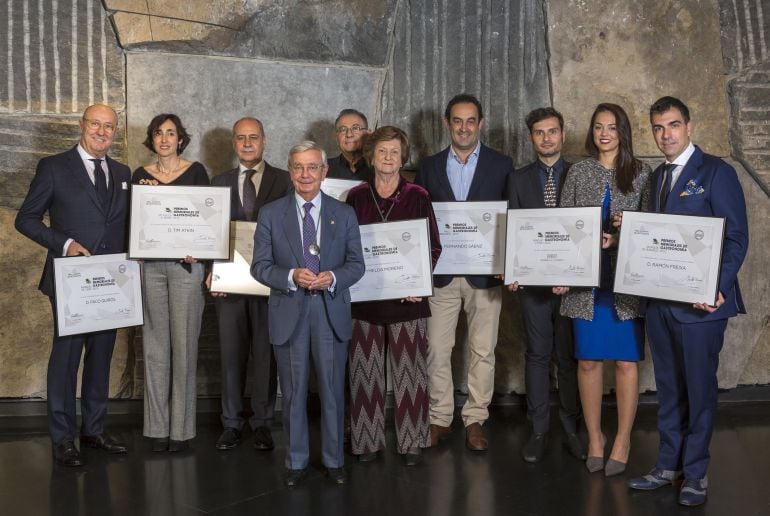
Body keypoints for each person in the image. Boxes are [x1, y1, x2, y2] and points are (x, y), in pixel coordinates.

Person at [627, 97, 748, 507]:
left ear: (690, 126)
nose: (666, 135)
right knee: (668, 389)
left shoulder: (717, 172)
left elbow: (735, 238)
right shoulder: (658, 177)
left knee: (699, 390)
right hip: (661, 303)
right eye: (658, 128)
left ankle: (695, 473)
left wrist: (718, 286)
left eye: (673, 126)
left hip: (702, 306)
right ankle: (667, 466)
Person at [15, 103, 130, 466]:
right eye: (95, 124)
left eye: (109, 126)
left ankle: (93, 429)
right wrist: (64, 244)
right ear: (82, 125)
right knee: (66, 358)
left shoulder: (122, 172)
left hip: (111, 281)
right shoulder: (53, 167)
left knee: (101, 356)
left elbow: (125, 224)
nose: (102, 131)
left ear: (114, 131)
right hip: (71, 279)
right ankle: (63, 437)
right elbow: (26, 219)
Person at [251, 141, 364, 487]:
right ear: (290, 170)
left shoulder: (343, 213)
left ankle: (333, 460)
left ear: (324, 171)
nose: (305, 174)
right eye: (298, 167)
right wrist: (289, 276)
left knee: (332, 392)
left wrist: (333, 277)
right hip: (290, 312)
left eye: (312, 167)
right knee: (294, 392)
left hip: (330, 312)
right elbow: (259, 266)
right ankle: (296, 461)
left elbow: (357, 264)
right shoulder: (271, 213)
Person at [555, 103, 652, 476]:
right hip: (585, 284)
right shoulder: (578, 172)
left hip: (625, 284)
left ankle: (623, 439)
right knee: (589, 360)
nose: (604, 133)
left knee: (627, 362)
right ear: (592, 132)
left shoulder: (643, 172)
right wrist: (561, 270)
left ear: (622, 131)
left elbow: (650, 231)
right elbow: (564, 226)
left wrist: (622, 234)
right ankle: (595, 437)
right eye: (598, 127)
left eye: (612, 127)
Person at [414, 93, 512, 451]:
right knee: (437, 349)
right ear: (447, 124)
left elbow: (509, 217)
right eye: (458, 120)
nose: (464, 127)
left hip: (485, 274)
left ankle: (475, 419)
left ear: (480, 123)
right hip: (441, 274)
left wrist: (507, 262)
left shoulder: (502, 165)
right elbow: (420, 218)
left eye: (471, 121)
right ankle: (439, 417)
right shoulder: (428, 166)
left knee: (483, 350)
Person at [345, 126, 442, 466]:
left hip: (408, 299)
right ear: (371, 156)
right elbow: (345, 246)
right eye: (382, 152)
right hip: (365, 299)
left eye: (395, 152)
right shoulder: (355, 196)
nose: (388, 158)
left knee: (411, 372)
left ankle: (413, 439)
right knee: (363, 372)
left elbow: (433, 245)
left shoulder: (418, 194)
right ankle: (367, 440)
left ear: (404, 157)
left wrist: (418, 282)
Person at [208, 118, 292, 452]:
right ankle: (231, 423)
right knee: (231, 354)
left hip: (268, 284)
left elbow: (290, 232)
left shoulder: (284, 181)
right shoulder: (219, 182)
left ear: (264, 140)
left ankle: (262, 423)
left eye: (253, 137)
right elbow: (210, 233)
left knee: (265, 356)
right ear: (233, 143)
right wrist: (212, 271)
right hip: (228, 286)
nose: (247, 143)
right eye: (241, 138)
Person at [506, 107, 584, 463]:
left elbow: (586, 229)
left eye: (552, 131)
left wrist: (574, 275)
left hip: (572, 287)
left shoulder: (581, 174)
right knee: (537, 356)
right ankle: (538, 428)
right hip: (534, 288)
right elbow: (513, 230)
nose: (547, 138)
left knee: (568, 358)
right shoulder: (518, 179)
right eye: (539, 132)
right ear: (531, 138)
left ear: (563, 135)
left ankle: (572, 427)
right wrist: (512, 270)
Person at [132, 114, 210, 453]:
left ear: (181, 138)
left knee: (184, 346)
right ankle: (156, 428)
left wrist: (201, 251)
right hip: (151, 267)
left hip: (185, 269)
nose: (164, 138)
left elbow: (207, 220)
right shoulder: (140, 176)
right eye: (158, 133)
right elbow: (133, 224)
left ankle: (181, 431)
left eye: (171, 133)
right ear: (152, 139)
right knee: (154, 347)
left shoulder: (196, 172)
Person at [326, 109, 373, 181]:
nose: (349, 134)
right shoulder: (324, 168)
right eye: (343, 129)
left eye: (355, 128)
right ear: (336, 137)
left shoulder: (380, 168)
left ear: (368, 134)